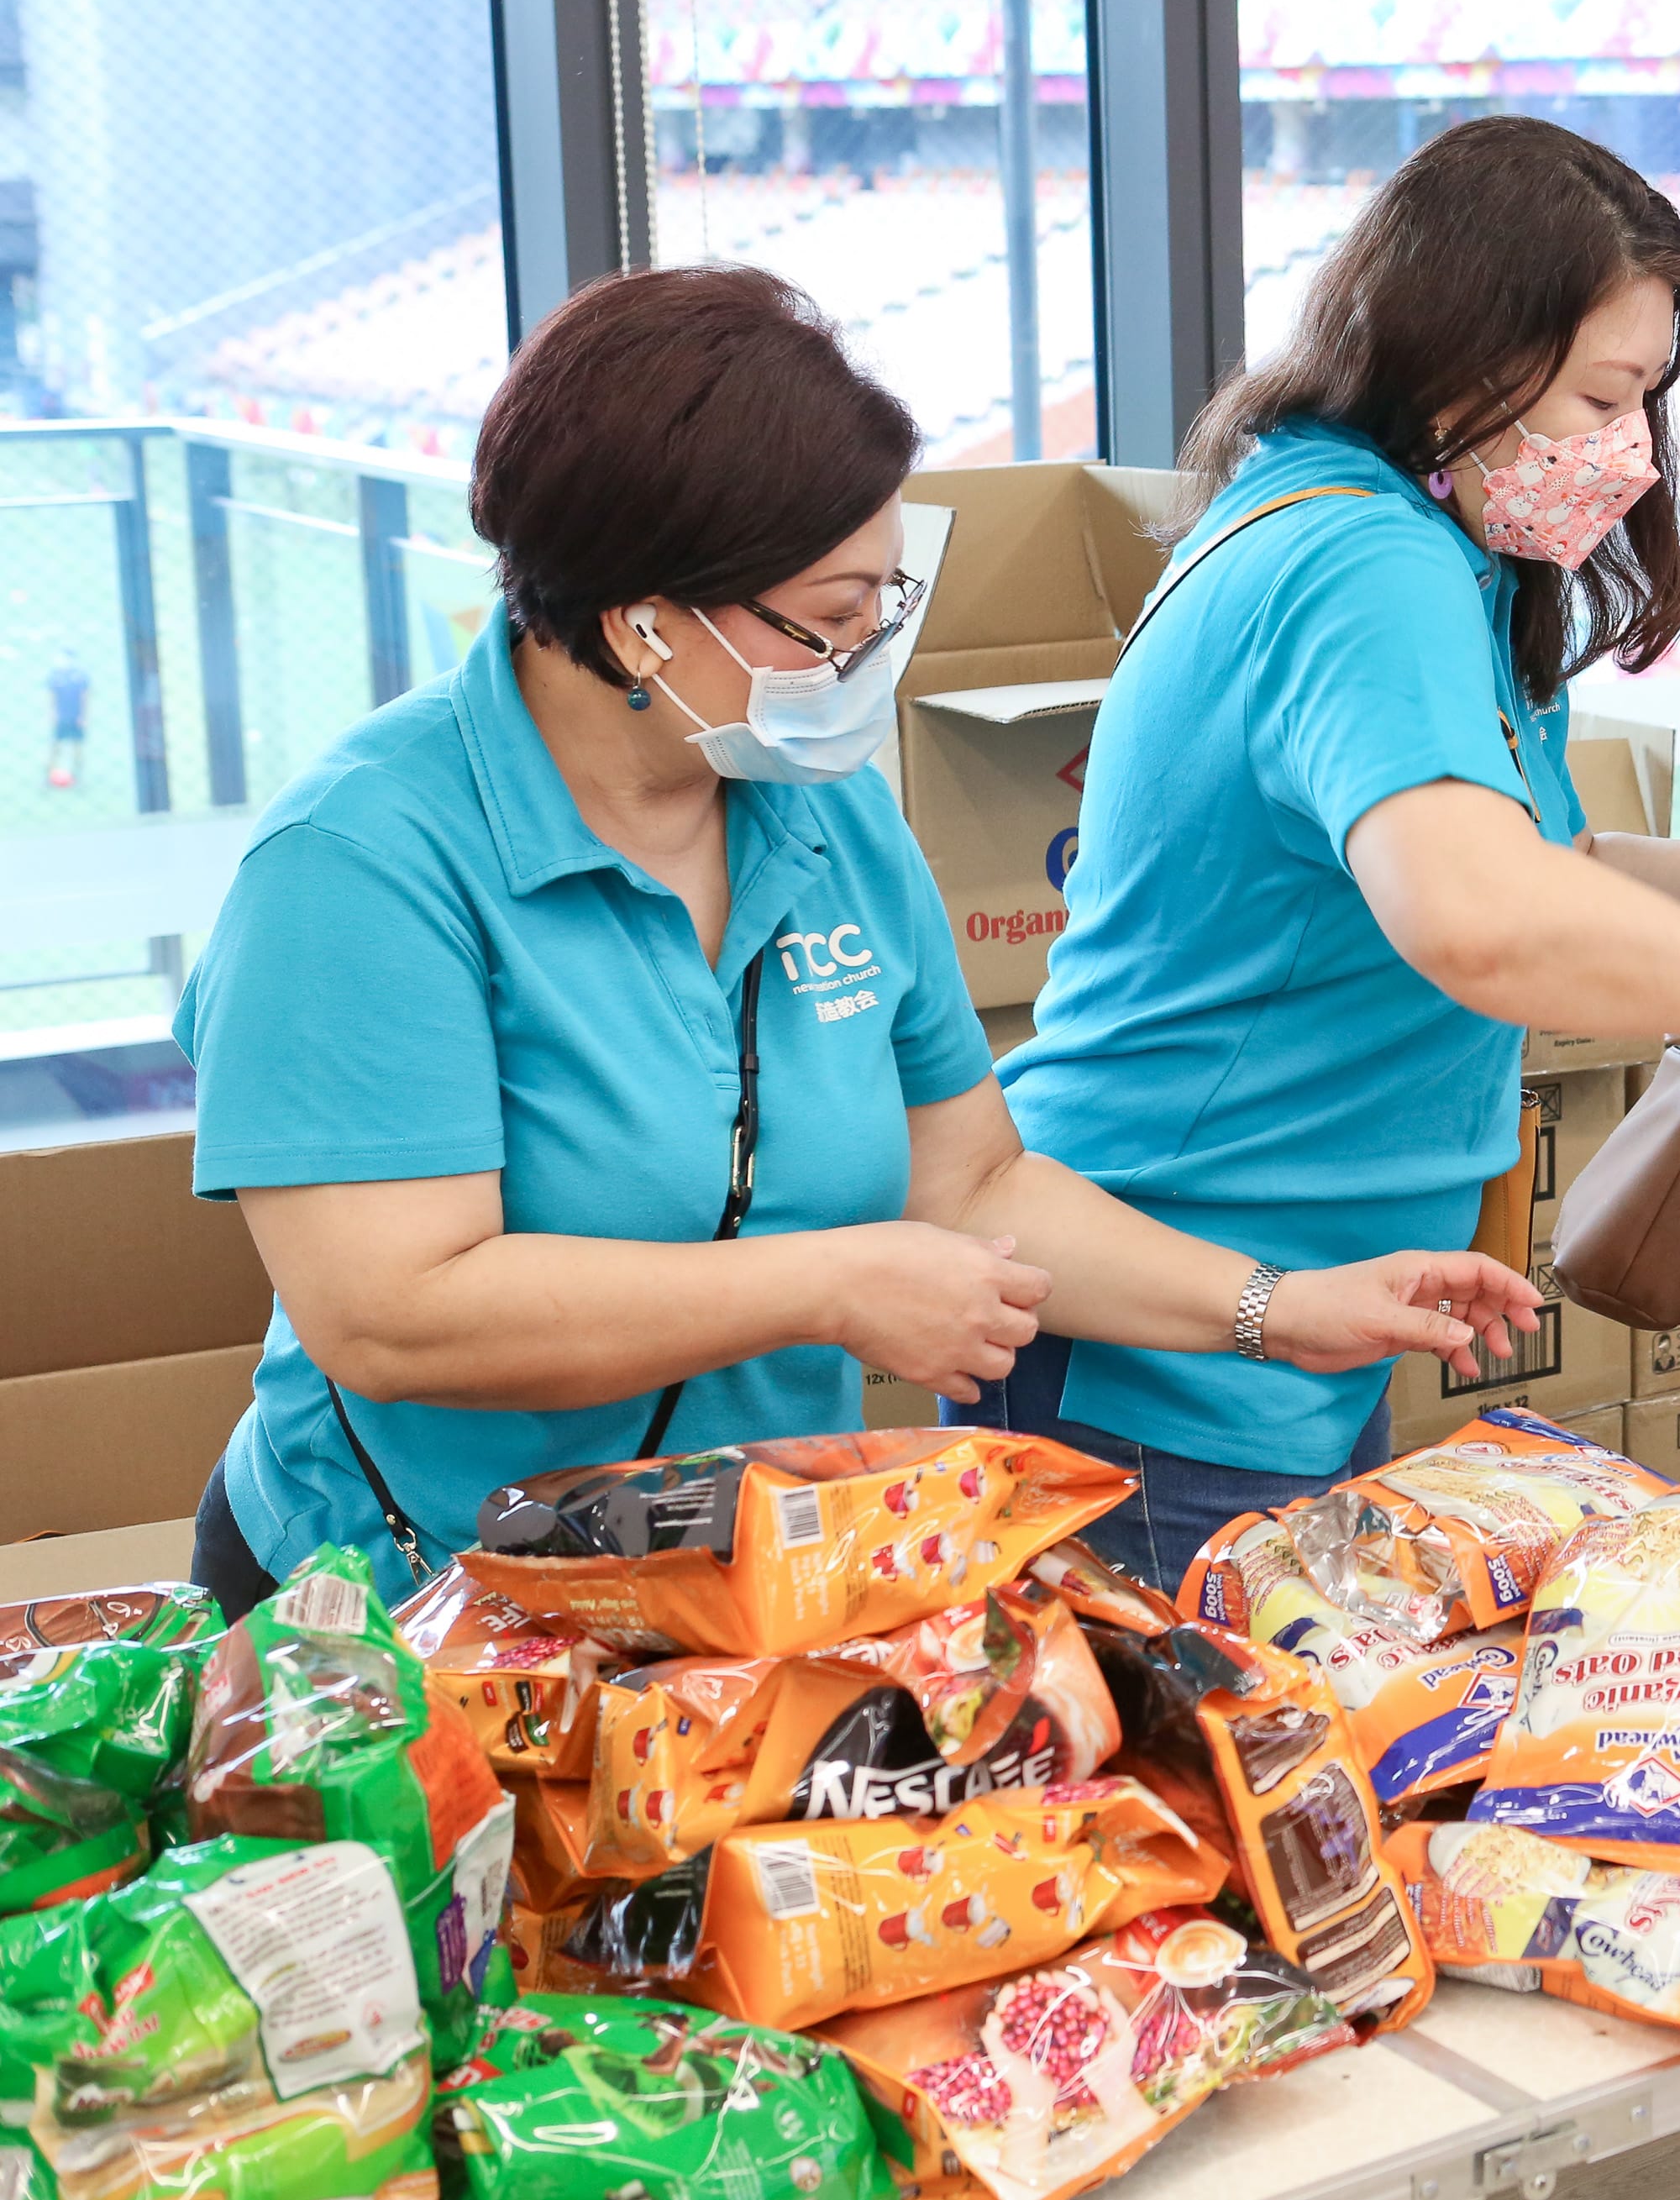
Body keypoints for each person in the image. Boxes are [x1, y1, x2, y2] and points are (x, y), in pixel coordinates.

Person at [990, 118, 1680, 2200]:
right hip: (1161, 1326)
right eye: (1594, 393)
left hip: (1285, 1312)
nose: (1627, 445)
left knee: (1299, 1850)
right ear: (1451, 345)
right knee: (1221, 1907)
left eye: (1648, 394)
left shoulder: (1402, 545)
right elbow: (1475, 911)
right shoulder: (1356, 558)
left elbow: (1552, 856)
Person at [171, 265, 1540, 1617]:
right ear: (641, 616)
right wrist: (827, 1283)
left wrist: (1278, 1307)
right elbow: (394, 1310)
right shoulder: (362, 863)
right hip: (395, 1598)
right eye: (830, 621)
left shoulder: (827, 818)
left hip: (728, 1586)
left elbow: (976, 1183)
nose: (866, 660)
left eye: (887, 603)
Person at [45, 648, 87, 789]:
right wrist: (53, 713)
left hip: (76, 717)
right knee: (55, 747)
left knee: (77, 748)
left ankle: (78, 777)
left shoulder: (80, 677)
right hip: (61, 717)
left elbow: (84, 697)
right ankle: (48, 777)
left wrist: (83, 716)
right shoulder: (55, 676)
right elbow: (52, 697)